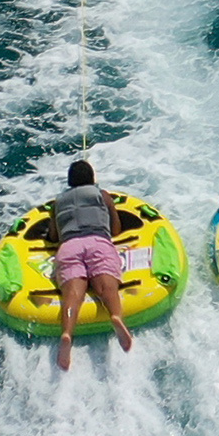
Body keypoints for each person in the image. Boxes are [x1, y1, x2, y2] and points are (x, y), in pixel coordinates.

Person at [48, 157, 134, 369]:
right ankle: (114, 315)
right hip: (98, 242)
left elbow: (53, 236)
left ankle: (67, 333)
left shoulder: (58, 202)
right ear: (93, 179)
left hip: (69, 246)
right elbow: (115, 229)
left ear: (69, 182)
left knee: (73, 292)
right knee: (106, 283)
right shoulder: (102, 195)